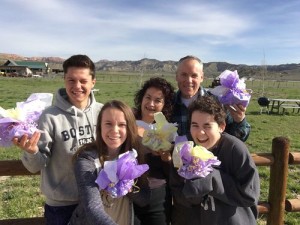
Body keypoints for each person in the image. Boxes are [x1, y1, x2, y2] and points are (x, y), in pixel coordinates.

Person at [12, 54, 103, 225]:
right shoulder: (50, 116)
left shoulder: (103, 112)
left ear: (93, 82)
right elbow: (34, 166)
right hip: (62, 205)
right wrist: (32, 152)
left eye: (83, 81)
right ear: (64, 80)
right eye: (71, 80)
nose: (77, 86)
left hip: (98, 199)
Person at [169, 96, 260, 225]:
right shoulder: (184, 151)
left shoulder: (234, 149)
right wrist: (195, 190)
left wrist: (212, 179)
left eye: (207, 126)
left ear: (221, 126)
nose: (200, 132)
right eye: (195, 125)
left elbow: (250, 195)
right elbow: (179, 195)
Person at [69, 100, 149, 225]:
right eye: (108, 124)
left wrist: (129, 187)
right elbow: (92, 208)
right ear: (100, 127)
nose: (115, 130)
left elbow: (144, 199)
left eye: (122, 125)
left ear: (129, 129)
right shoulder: (86, 161)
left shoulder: (132, 157)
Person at [171, 55, 250, 142]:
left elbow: (237, 138)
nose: (189, 80)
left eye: (194, 75)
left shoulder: (218, 102)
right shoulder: (168, 103)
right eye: (184, 75)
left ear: (201, 77)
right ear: (176, 76)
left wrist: (239, 121)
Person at [133, 77, 175, 225]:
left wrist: (165, 157)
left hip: (158, 198)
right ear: (141, 98)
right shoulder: (127, 123)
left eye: (158, 100)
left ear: (165, 104)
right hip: (130, 193)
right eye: (148, 98)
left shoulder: (169, 131)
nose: (151, 104)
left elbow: (172, 174)